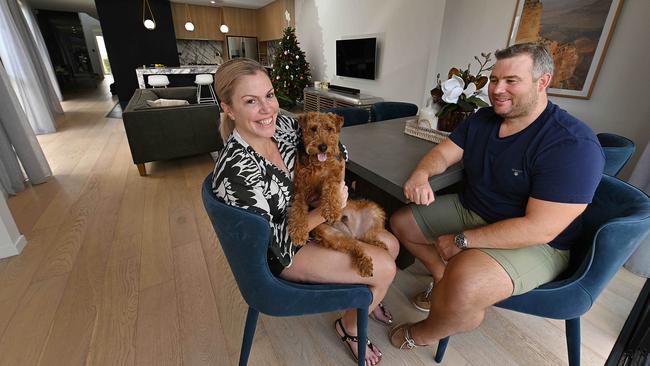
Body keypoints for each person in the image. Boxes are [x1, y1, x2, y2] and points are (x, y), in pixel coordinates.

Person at [388, 43, 604, 349]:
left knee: (465, 282)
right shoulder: (482, 119)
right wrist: (421, 174)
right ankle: (440, 276)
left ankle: (423, 333)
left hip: (540, 242)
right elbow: (442, 153)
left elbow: (540, 228)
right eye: (493, 80)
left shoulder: (572, 144)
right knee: (401, 222)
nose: (497, 89)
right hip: (475, 209)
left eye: (511, 81)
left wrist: (462, 240)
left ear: (543, 82)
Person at [211, 58, 399, 365]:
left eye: (269, 95)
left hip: (309, 221)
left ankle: (369, 295)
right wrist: (326, 212)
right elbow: (276, 242)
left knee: (391, 245)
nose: (267, 109)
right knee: (386, 267)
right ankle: (350, 326)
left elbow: (335, 147)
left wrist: (332, 178)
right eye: (250, 101)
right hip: (281, 254)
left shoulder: (282, 127)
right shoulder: (237, 171)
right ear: (229, 109)